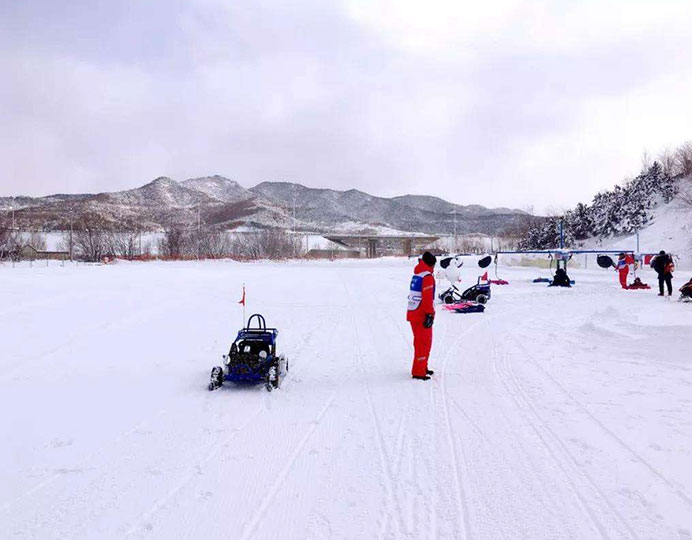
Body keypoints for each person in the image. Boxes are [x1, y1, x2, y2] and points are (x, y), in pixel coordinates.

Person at [407, 251, 436, 380]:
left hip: (414, 313)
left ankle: (422, 366)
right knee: (423, 343)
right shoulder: (427, 277)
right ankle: (419, 371)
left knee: (421, 342)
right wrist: (430, 314)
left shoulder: (417, 274)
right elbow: (427, 298)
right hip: (421, 314)